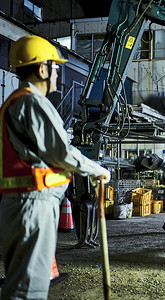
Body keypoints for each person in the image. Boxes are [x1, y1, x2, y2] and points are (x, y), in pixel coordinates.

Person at [0, 35, 111, 299]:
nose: (58, 72)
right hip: (33, 204)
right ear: (41, 69)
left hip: (21, 203)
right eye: (56, 66)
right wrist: (96, 169)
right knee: (28, 290)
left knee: (20, 285)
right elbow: (60, 152)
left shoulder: (15, 102)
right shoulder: (33, 102)